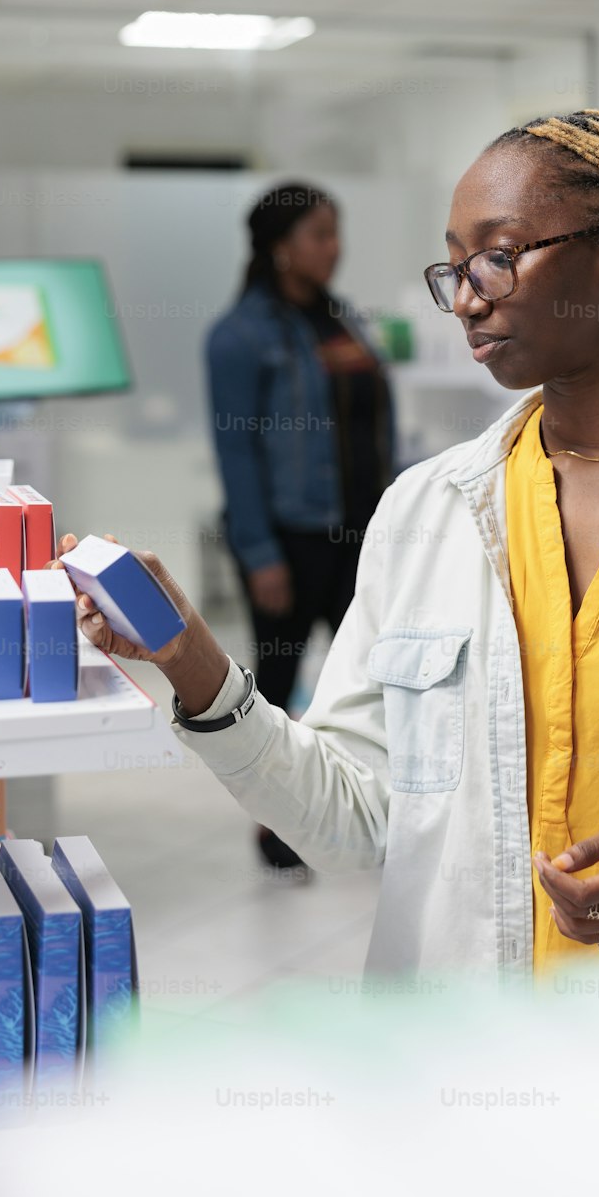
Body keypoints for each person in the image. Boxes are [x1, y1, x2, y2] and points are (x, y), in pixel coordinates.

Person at [58, 110, 599, 978]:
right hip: (459, 1072)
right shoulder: (427, 514)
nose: (468, 295)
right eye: (456, 266)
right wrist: (198, 671)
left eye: (500, 256)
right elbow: (356, 825)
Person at [204, 182, 395, 869]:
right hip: (289, 538)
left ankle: (371, 808)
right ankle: (277, 825)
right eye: (320, 234)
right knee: (279, 685)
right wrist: (259, 554)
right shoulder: (239, 336)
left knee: (374, 678)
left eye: (337, 231)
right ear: (281, 247)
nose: (334, 247)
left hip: (360, 533)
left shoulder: (341, 321)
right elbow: (237, 451)